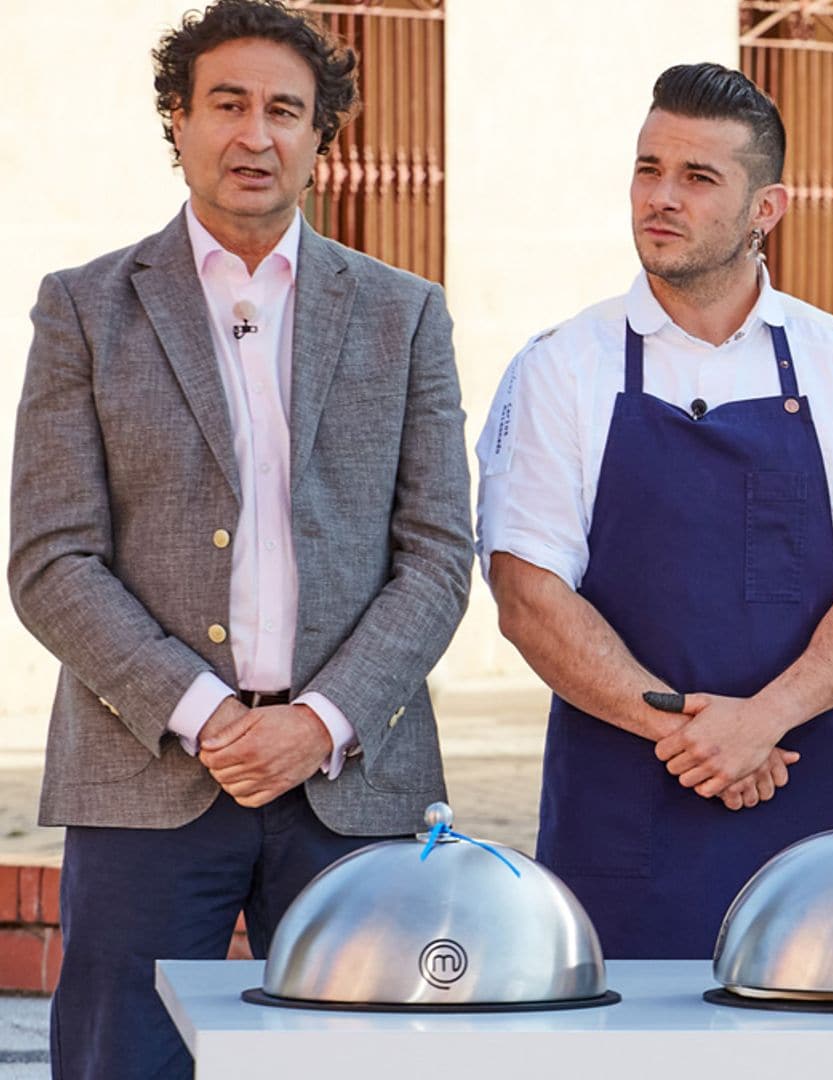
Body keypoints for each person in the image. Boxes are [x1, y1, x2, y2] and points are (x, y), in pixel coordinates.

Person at [7, 2, 472, 1075]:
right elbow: (50, 558)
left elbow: (440, 555)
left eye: (283, 111)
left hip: (354, 785)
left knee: (359, 1062)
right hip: (144, 776)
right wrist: (209, 714)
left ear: (322, 137)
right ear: (178, 119)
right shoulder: (84, 309)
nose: (254, 135)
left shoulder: (404, 314)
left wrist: (320, 720)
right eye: (227, 104)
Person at [476, 63, 833, 959]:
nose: (661, 198)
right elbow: (528, 593)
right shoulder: (559, 367)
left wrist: (763, 720)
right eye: (649, 169)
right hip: (621, 804)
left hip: (805, 797)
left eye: (697, 178)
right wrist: (700, 737)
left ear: (767, 208)